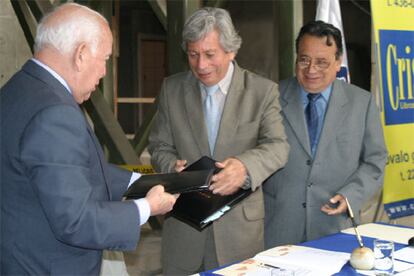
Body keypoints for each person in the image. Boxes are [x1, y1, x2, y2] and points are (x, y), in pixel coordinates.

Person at [0, 3, 178, 275]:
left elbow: (67, 170)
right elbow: (76, 220)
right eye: (105, 58)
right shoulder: (54, 112)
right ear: (81, 54)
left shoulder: (16, 90)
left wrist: (143, 182)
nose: (105, 72)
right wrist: (146, 207)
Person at [148, 7, 289, 275]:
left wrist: (245, 167)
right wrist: (172, 168)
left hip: (240, 236)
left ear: (231, 51)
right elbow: (159, 146)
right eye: (193, 54)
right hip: (184, 233)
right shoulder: (172, 89)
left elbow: (278, 146)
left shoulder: (262, 91)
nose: (201, 65)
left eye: (210, 55)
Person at [263, 20, 387, 248]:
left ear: (338, 62)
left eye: (322, 62)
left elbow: (375, 161)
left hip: (335, 228)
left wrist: (351, 195)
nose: (311, 70)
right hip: (277, 231)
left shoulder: (362, 103)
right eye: (304, 59)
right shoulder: (269, 97)